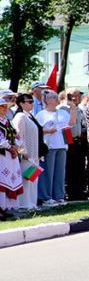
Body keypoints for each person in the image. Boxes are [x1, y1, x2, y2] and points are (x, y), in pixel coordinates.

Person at [36, 89, 69, 206]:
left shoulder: (63, 113)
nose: (56, 99)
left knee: (60, 171)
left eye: (56, 97)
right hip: (49, 145)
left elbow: (71, 123)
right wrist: (48, 131)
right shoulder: (41, 114)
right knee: (48, 172)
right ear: (47, 100)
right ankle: (46, 196)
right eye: (53, 97)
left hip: (62, 145)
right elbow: (37, 130)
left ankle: (59, 195)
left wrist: (73, 108)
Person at [13, 93, 43, 209]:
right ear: (21, 103)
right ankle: (25, 205)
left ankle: (32, 204)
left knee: (32, 181)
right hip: (26, 156)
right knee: (26, 180)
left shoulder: (29, 116)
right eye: (29, 102)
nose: (32, 104)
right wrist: (23, 151)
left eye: (32, 101)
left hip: (34, 155)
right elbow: (18, 135)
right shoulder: (20, 117)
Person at [0, 90, 24, 219]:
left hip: (10, 156)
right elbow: (1, 140)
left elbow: (17, 136)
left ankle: (7, 207)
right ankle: (1, 208)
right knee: (2, 181)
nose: (4, 109)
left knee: (10, 179)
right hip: (2, 156)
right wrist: (11, 147)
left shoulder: (8, 122)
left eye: (6, 107)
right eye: (2, 106)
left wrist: (16, 146)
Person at [60, 89, 88, 201]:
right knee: (70, 168)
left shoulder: (78, 109)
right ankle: (71, 192)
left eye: (79, 95)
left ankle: (79, 191)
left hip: (78, 140)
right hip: (68, 141)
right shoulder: (63, 109)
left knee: (79, 168)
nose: (78, 97)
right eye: (75, 95)